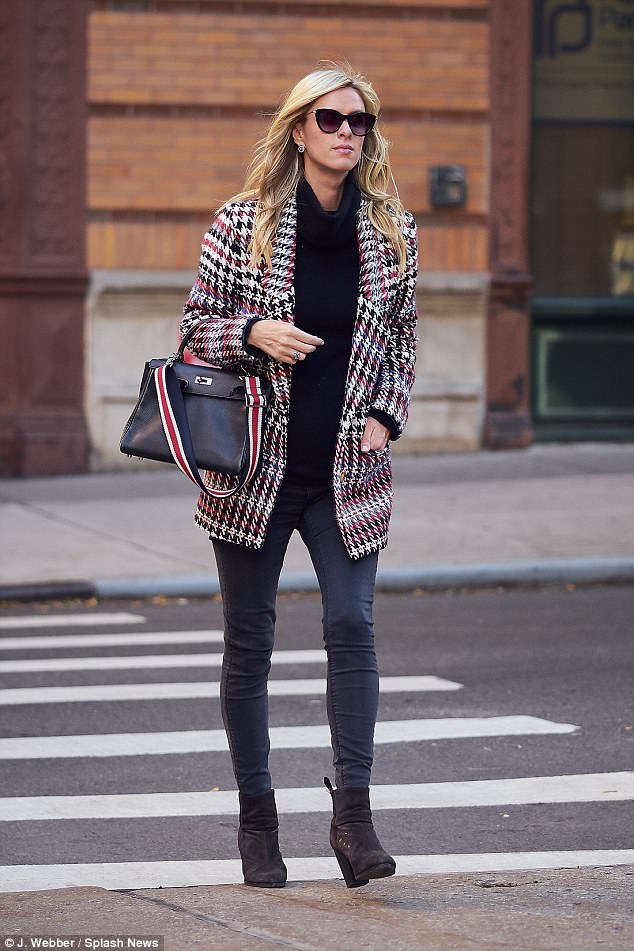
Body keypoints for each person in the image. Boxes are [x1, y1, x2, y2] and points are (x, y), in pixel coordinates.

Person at [179, 61, 418, 889]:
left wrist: (387, 413)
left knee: (353, 625)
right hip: (255, 473)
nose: (347, 132)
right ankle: (258, 822)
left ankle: (354, 819)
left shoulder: (392, 231)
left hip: (348, 472)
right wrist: (253, 331)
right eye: (330, 119)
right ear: (298, 129)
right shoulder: (242, 223)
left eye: (359, 121)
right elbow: (194, 332)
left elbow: (403, 341)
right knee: (250, 641)